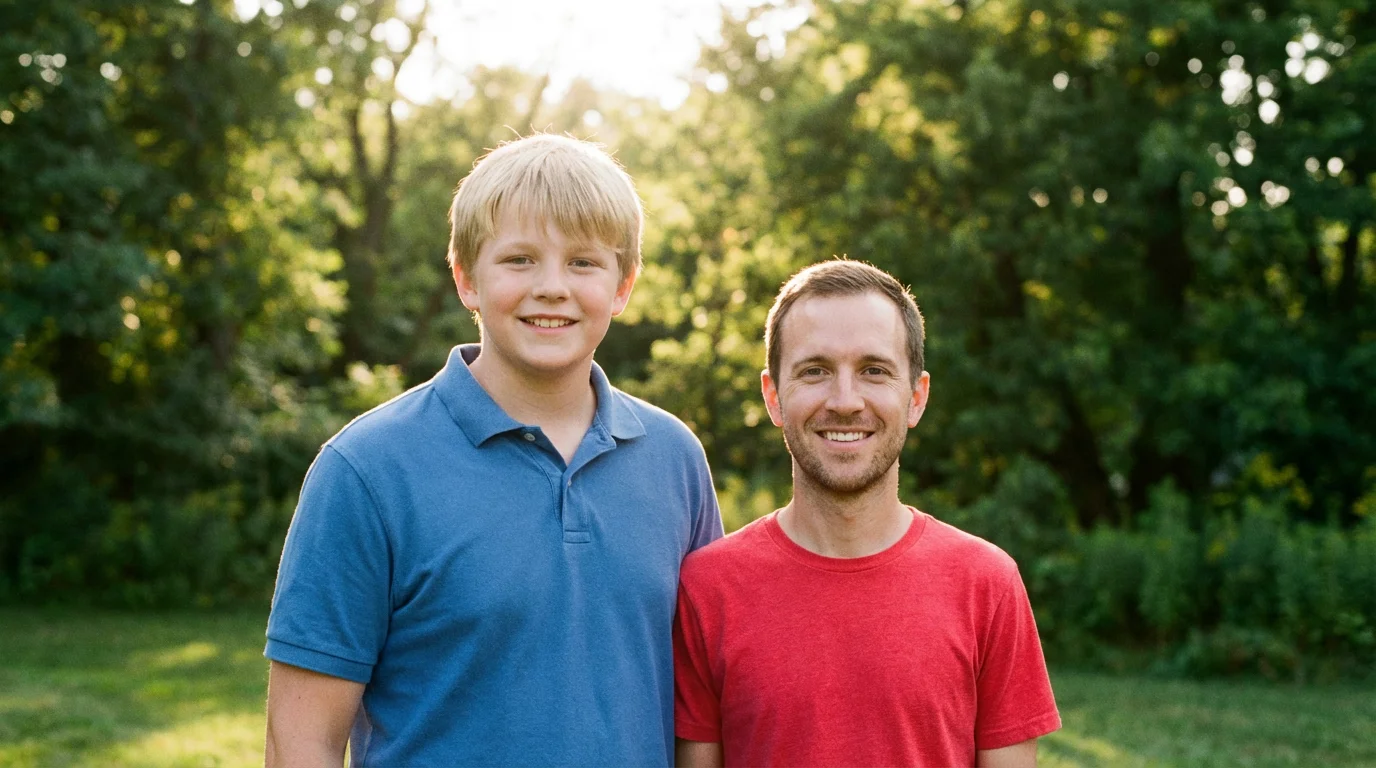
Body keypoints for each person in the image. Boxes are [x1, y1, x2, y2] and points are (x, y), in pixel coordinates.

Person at [263, 134, 723, 767]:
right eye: (520, 260)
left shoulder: (674, 459)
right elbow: (302, 740)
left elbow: (700, 709)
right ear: (466, 279)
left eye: (584, 262)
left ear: (623, 286)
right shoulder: (367, 470)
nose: (552, 287)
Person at [674, 259, 1060, 768]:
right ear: (772, 396)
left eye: (874, 371)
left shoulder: (986, 585)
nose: (845, 400)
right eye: (815, 371)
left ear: (917, 397)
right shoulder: (708, 589)